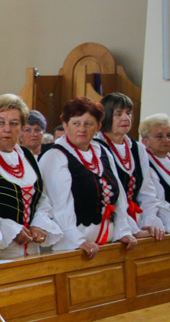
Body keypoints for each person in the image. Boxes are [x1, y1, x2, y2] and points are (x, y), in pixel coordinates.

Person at [38, 97, 138, 258]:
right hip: (73, 249)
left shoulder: (102, 151)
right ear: (65, 126)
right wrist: (77, 241)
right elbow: (60, 207)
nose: (82, 129)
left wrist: (123, 231)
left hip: (107, 246)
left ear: (98, 127)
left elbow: (119, 196)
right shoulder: (55, 156)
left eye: (88, 124)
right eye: (76, 123)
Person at [0, 94, 61, 259]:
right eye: (0, 122)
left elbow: (41, 198)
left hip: (32, 247)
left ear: (21, 128)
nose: (7, 129)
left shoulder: (26, 155)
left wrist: (38, 225)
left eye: (14, 124)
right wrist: (12, 230)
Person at [94, 93, 170, 239]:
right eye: (118, 114)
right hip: (109, 222)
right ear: (105, 116)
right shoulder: (96, 147)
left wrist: (150, 221)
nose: (126, 118)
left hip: (136, 219)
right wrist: (130, 228)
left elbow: (147, 192)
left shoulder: (137, 148)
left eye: (129, 113)